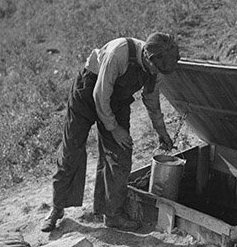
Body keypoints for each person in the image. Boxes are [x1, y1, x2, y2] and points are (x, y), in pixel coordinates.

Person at [42, 32, 180, 233]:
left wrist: (162, 132)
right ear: (148, 58)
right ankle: (57, 208)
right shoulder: (118, 54)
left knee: (120, 154)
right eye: (155, 69)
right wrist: (113, 128)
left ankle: (111, 213)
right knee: (72, 150)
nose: (155, 73)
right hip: (88, 93)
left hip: (117, 102)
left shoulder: (158, 67)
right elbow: (100, 95)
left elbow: (152, 101)